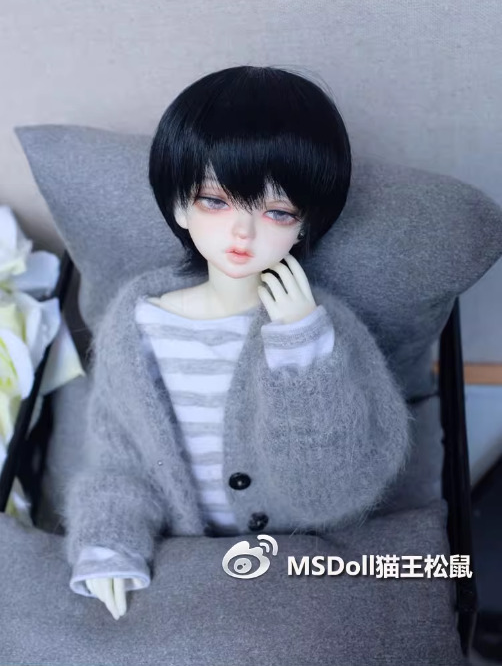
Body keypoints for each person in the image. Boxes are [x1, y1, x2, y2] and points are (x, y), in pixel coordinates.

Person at [64, 65, 412, 620]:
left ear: (305, 225)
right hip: (176, 562)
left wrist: (301, 350)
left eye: (277, 211)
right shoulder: (136, 327)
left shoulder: (327, 331)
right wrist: (109, 542)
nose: (243, 233)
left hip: (300, 564)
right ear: (180, 205)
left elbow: (335, 495)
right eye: (216, 201)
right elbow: (119, 462)